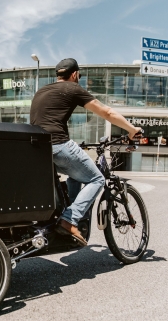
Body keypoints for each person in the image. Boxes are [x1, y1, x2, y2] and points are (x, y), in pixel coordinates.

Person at [30, 58, 142, 246]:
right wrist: (132, 130)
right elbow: (107, 113)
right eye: (79, 76)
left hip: (38, 149)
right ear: (74, 74)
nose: (79, 79)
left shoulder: (41, 91)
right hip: (58, 144)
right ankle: (69, 220)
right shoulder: (72, 88)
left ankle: (73, 215)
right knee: (97, 179)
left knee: (76, 175)